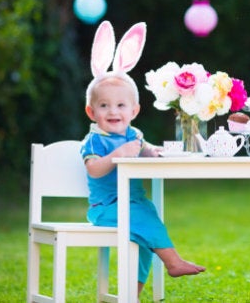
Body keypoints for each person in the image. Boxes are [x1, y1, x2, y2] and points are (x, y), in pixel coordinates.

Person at [80, 21, 205, 299]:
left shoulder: (133, 135)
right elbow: (94, 169)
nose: (113, 111)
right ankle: (173, 262)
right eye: (104, 106)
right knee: (146, 222)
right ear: (91, 112)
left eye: (121, 105)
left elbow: (145, 148)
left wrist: (156, 151)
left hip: (134, 204)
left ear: (134, 110)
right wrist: (114, 156)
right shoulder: (94, 140)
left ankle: (132, 294)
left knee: (145, 238)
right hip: (105, 209)